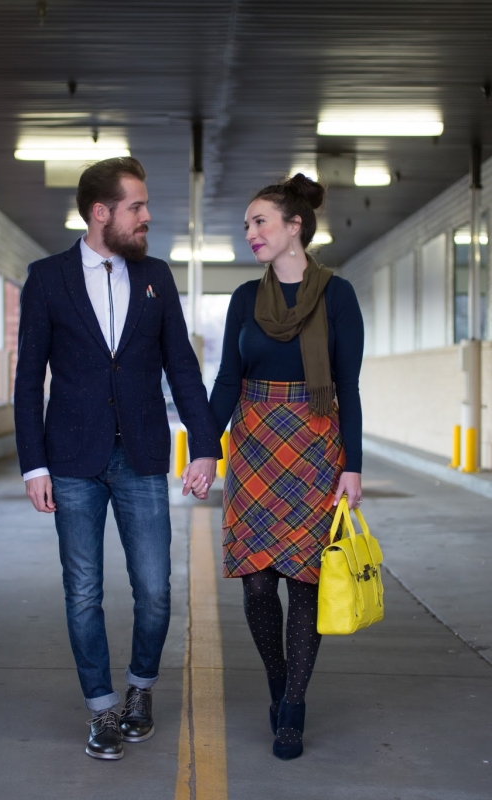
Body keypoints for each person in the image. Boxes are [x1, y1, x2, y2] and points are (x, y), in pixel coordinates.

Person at [14, 156, 221, 761]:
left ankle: (141, 690)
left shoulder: (155, 275)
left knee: (155, 590)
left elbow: (181, 365)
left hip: (142, 455)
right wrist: (34, 464)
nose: (147, 216)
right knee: (83, 591)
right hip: (72, 458)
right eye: (136, 206)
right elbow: (30, 379)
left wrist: (205, 446)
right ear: (101, 212)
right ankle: (103, 707)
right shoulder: (47, 278)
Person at [209, 173, 364, 760]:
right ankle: (277, 680)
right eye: (248, 224)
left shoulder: (337, 295)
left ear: (294, 227)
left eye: (259, 222)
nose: (249, 232)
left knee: (304, 580)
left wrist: (352, 463)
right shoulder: (245, 299)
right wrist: (204, 443)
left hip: (316, 443)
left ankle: (293, 703)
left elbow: (346, 384)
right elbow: (228, 378)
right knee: (255, 584)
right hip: (253, 445)